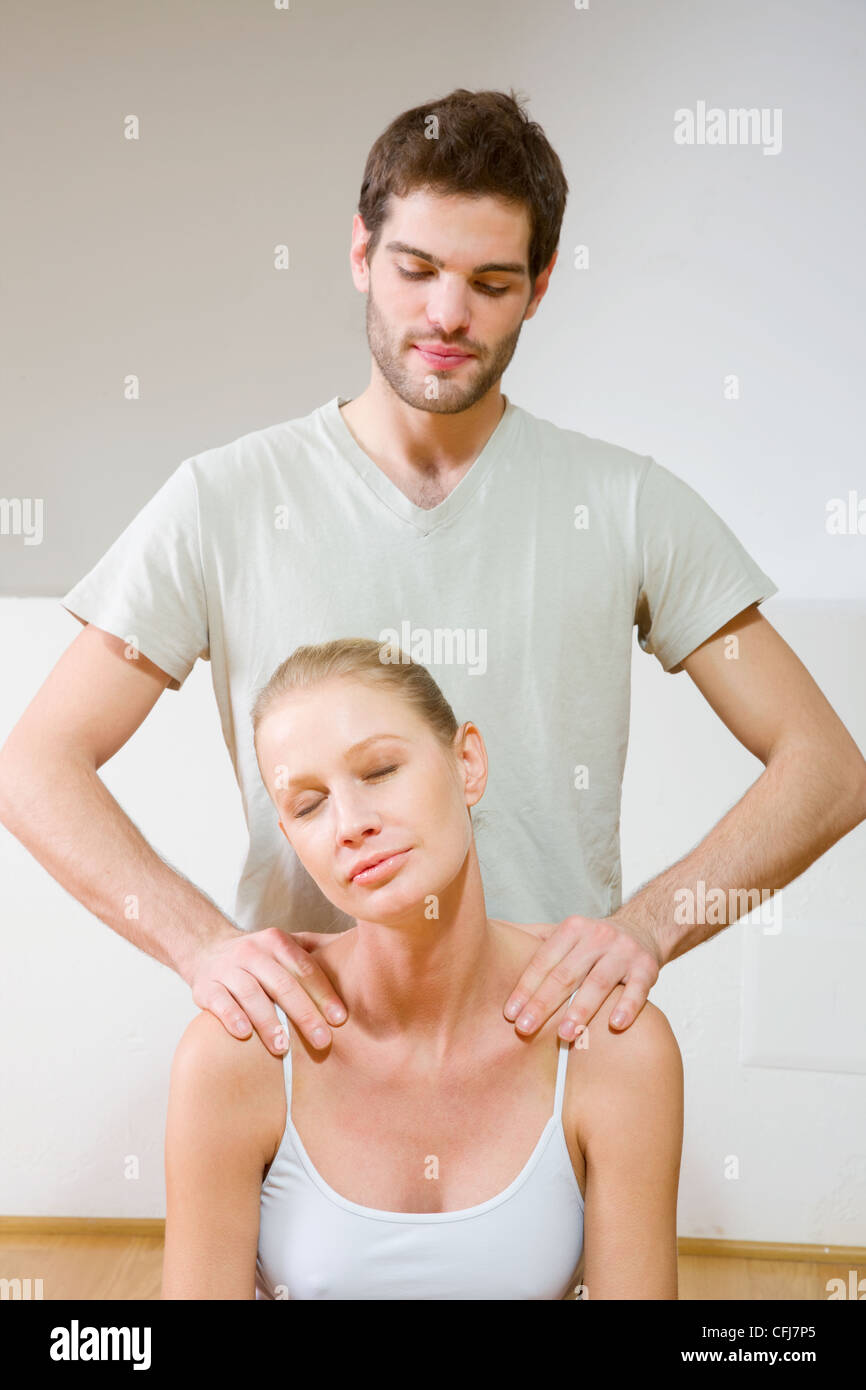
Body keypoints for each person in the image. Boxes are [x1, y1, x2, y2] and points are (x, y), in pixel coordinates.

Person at [1, 88, 863, 1064]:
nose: (447, 314)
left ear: (539, 287)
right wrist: (201, 943)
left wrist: (647, 928)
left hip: (541, 1062)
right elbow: (35, 765)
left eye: (492, 283)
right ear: (361, 255)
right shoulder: (223, 497)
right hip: (308, 1063)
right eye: (417, 269)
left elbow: (826, 770)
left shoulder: (626, 502)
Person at [161, 639, 684, 1299]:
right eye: (308, 804)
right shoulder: (236, 1051)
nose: (350, 823)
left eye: (380, 770)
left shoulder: (613, 1043)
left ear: (467, 763)